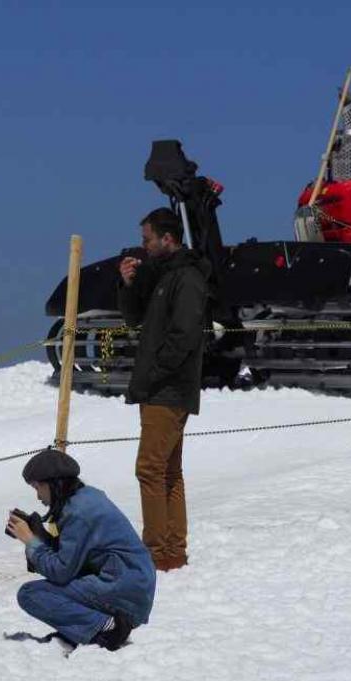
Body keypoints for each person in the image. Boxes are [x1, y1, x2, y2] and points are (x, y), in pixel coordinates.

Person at [117, 208, 211, 572]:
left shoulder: (186, 277)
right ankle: (171, 551)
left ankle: (156, 552)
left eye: (148, 239)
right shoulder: (164, 275)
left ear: (167, 238)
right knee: (168, 470)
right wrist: (128, 285)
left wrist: (155, 373)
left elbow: (183, 335)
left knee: (150, 469)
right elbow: (134, 318)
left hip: (168, 388)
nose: (143, 246)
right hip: (164, 386)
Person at [7, 449, 156, 652]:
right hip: (133, 585)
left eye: (37, 487)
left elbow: (61, 571)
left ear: (53, 483)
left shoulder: (77, 512)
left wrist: (31, 541)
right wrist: (42, 536)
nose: (38, 496)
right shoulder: (85, 498)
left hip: (123, 589)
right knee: (50, 589)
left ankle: (108, 628)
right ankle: (88, 627)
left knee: (30, 594)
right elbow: (75, 557)